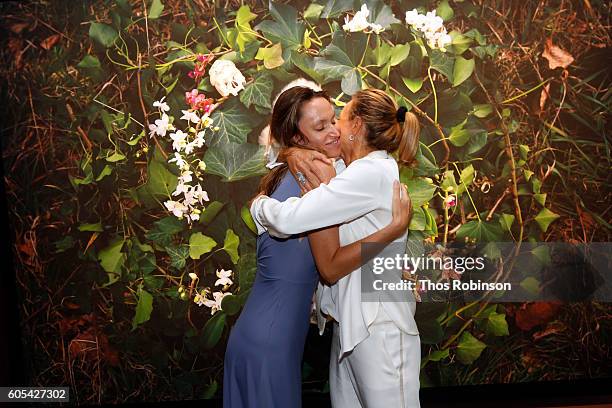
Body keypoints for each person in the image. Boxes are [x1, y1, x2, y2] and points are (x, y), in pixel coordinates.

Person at [223, 86, 412, 408]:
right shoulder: (323, 173)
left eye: (336, 119)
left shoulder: (344, 173)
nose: (334, 129)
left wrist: (259, 203)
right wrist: (286, 158)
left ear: (357, 128)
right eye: (321, 126)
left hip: (312, 327)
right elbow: (324, 256)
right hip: (276, 333)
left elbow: (322, 252)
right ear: (298, 138)